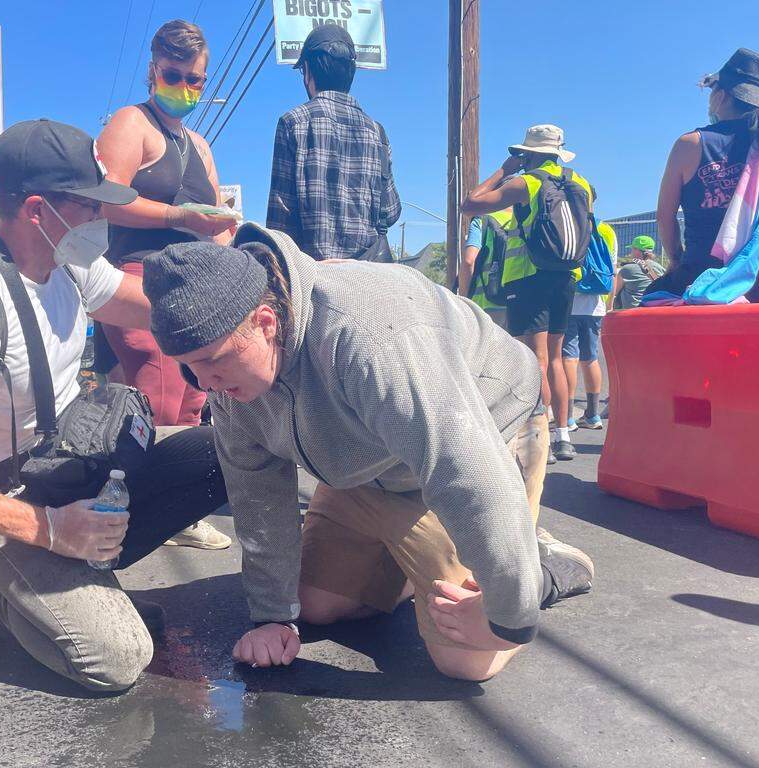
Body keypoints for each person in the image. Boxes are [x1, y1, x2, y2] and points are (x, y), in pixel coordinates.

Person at [143, 226, 594, 683]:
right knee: (313, 605)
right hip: (371, 469)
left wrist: (507, 618)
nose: (205, 385)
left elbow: (466, 468)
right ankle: (411, 560)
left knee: (469, 659)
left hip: (484, 438)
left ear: (265, 321)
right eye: (190, 367)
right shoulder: (226, 380)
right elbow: (256, 494)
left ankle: (545, 565)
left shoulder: (370, 337)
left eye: (215, 361)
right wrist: (273, 617)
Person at [0, 120, 227, 692]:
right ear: (38, 209)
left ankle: (66, 577)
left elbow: (149, 305)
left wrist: (258, 287)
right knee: (116, 658)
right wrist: (51, 531)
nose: (101, 220)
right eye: (89, 205)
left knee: (218, 453)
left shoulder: (71, 264)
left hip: (60, 468)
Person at [96, 19, 233, 551]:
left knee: (194, 400)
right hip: (138, 280)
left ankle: (169, 508)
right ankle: (133, 518)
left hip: (195, 286)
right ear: (153, 69)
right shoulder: (132, 122)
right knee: (158, 398)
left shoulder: (198, 143)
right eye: (173, 75)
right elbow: (105, 198)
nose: (184, 88)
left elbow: (217, 221)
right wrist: (179, 215)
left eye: (195, 79)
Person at [462, 124, 596, 462]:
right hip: (566, 277)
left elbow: (471, 203)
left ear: (530, 154)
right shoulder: (581, 183)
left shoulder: (528, 182)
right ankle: (563, 434)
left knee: (534, 358)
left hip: (529, 277)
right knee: (556, 356)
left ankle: (539, 436)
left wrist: (503, 171)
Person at [653, 48, 759, 302]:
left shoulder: (690, 144)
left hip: (706, 264)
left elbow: (664, 215)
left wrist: (676, 259)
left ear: (722, 96)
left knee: (704, 338)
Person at [266, 24, 401, 261]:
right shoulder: (377, 133)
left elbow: (280, 221)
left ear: (307, 70)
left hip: (315, 280)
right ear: (350, 73)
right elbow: (390, 211)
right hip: (368, 279)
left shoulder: (292, 123)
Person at [562, 220, 616, 431]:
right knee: (590, 357)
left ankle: (566, 416)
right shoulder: (606, 229)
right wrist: (608, 304)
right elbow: (613, 270)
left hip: (569, 300)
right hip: (596, 304)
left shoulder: (569, 223)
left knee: (568, 357)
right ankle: (593, 415)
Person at [612, 236, 664, 311]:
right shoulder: (660, 268)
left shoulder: (627, 269)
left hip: (632, 314)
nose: (631, 252)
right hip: (654, 311)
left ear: (637, 251)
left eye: (632, 249)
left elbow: (613, 292)